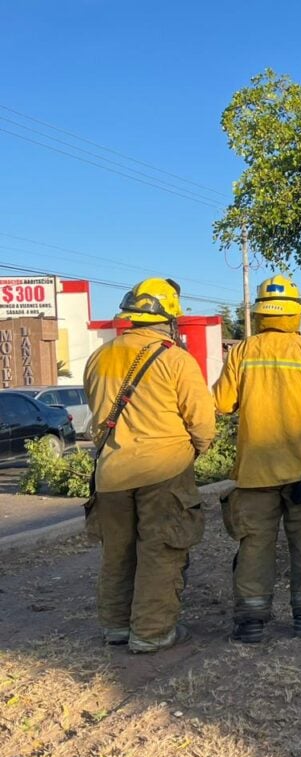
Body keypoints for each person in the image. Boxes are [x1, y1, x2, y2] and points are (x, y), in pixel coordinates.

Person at [83, 277, 216, 653]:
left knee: (117, 552)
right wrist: (195, 452)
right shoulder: (175, 359)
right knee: (161, 550)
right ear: (169, 316)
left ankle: (116, 627)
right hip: (164, 472)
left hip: (111, 474)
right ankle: (152, 633)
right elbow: (202, 423)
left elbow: (97, 413)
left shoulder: (100, 356)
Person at [212, 275, 301, 644]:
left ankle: (251, 621)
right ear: (296, 312)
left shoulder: (242, 351)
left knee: (254, 543)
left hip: (256, 470)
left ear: (260, 312)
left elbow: (221, 403)